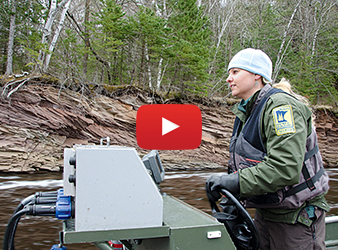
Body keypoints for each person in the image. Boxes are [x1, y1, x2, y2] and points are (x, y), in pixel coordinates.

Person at [205, 48, 330, 250]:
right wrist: (229, 196)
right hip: (266, 214)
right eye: (229, 73)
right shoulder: (246, 110)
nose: (228, 79)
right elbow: (246, 165)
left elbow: (284, 168)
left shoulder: (281, 108)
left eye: (235, 72)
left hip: (297, 219)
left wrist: (234, 182)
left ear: (257, 75)